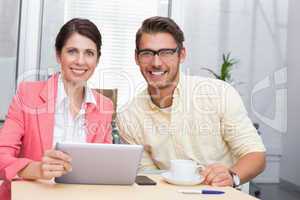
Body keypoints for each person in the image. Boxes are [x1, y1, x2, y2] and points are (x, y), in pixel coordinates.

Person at [117, 16, 266, 188]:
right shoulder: (129, 116)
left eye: (166, 52)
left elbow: (256, 155)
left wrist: (232, 176)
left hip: (221, 192)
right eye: (147, 53)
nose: (156, 62)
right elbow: (151, 178)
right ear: (136, 57)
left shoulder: (219, 94)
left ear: (182, 54)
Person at [0, 18, 113, 200]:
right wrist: (36, 169)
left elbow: (105, 164)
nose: (80, 61)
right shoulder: (28, 94)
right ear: (58, 55)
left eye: (89, 53)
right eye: (72, 51)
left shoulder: (104, 106)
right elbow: (2, 156)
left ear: (97, 59)